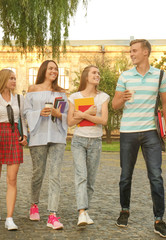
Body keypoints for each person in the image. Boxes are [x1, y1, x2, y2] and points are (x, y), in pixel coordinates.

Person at [112, 39, 166, 238]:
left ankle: (159, 220)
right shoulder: (125, 76)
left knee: (156, 176)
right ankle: (124, 211)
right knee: (125, 176)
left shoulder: (159, 75)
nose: (131, 54)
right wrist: (123, 97)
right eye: (130, 51)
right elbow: (114, 105)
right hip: (128, 132)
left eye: (134, 51)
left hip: (151, 133)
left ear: (145, 52)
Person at [23, 60, 68, 230]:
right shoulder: (33, 90)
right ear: (44, 70)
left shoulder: (61, 92)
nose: (54, 71)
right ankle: (34, 204)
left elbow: (66, 114)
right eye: (51, 68)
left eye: (56, 68)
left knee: (55, 175)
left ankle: (52, 215)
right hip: (38, 135)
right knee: (38, 173)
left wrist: (58, 113)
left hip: (57, 136)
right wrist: (38, 113)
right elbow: (26, 112)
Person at [0, 69, 28, 230]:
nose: (14, 81)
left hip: (14, 137)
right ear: (3, 80)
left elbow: (22, 118)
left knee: (12, 179)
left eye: (15, 78)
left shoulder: (20, 99)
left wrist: (25, 136)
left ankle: (9, 218)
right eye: (11, 79)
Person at [67, 65, 109, 226]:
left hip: (96, 141)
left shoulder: (103, 97)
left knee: (90, 181)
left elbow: (104, 121)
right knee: (81, 176)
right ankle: (82, 212)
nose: (97, 75)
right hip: (78, 140)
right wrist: (89, 114)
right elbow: (70, 122)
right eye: (94, 72)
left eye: (98, 73)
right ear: (86, 76)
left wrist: (84, 114)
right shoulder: (74, 97)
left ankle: (85, 210)